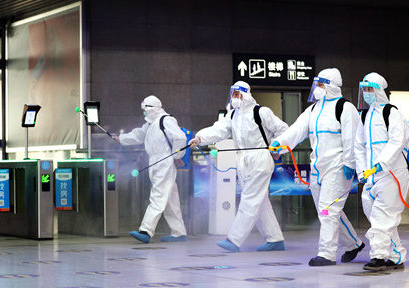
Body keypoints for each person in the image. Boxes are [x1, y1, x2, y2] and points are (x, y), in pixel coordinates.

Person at [270, 68, 365, 266]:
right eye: (317, 84)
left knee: (328, 209)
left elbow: (351, 138)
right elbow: (296, 130)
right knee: (328, 211)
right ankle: (353, 243)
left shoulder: (345, 108)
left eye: (321, 84)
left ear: (331, 86)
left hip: (338, 166)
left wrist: (349, 163)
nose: (317, 88)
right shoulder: (313, 109)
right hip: (317, 167)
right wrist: (279, 143)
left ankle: (326, 254)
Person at [188, 81, 288, 252]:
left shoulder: (261, 112)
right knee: (260, 202)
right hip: (242, 161)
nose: (234, 97)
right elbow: (218, 129)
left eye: (237, 94)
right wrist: (199, 138)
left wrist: (276, 148)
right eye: (232, 94)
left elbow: (284, 130)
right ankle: (275, 239)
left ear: (246, 95)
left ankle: (234, 239)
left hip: (260, 159)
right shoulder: (233, 115)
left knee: (249, 199)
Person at [355, 72, 409, 271]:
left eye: (370, 89)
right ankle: (396, 256)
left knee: (382, 216)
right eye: (364, 89)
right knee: (377, 216)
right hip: (372, 177)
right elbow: (359, 146)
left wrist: (382, 162)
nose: (366, 92)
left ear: (379, 90)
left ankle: (378, 256)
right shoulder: (364, 115)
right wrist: (362, 170)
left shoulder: (391, 113)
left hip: (392, 174)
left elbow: (397, 141)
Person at [116, 95, 188, 243]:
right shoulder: (150, 124)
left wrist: (176, 156)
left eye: (145, 109)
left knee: (158, 196)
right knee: (170, 200)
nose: (143, 112)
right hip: (157, 162)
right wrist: (121, 139)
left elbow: (180, 137)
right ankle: (179, 232)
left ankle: (146, 231)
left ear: (152, 108)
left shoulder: (166, 120)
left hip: (164, 162)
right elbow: (138, 135)